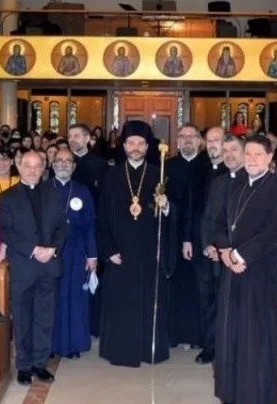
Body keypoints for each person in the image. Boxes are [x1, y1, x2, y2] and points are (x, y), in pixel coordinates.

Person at [214, 135, 277, 404]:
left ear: (269, 158)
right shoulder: (237, 187)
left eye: (258, 154)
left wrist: (240, 255)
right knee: (233, 331)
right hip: (232, 272)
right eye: (248, 154)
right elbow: (221, 222)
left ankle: (257, 394)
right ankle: (233, 392)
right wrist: (225, 250)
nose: (251, 159)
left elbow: (274, 230)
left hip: (260, 273)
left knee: (257, 336)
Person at [97, 120, 177, 368]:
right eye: (131, 142)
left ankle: (148, 349)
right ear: (123, 145)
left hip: (148, 251)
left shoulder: (159, 173)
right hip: (119, 252)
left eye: (140, 143)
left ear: (147, 146)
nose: (135, 147)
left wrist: (165, 206)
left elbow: (171, 215)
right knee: (121, 302)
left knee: (148, 299)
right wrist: (108, 250)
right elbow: (100, 217)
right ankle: (120, 350)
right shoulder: (110, 175)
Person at [0, 151, 69, 385]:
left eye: (36, 166)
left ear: (43, 168)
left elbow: (62, 227)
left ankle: (40, 364)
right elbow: (6, 231)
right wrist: (33, 249)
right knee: (22, 317)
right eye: (27, 165)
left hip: (49, 264)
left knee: (44, 317)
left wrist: (53, 249)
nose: (31, 170)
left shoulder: (54, 194)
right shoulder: (7, 196)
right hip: (24, 265)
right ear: (19, 167)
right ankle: (24, 366)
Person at [166, 124, 212, 351]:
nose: (187, 141)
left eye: (191, 137)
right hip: (173, 235)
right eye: (183, 137)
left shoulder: (206, 166)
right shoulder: (168, 166)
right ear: (177, 141)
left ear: (199, 141)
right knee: (175, 284)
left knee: (199, 286)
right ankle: (174, 334)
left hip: (198, 235)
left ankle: (198, 336)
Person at [48, 149, 97, 359]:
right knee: (52, 298)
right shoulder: (44, 188)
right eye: (59, 160)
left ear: (74, 166)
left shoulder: (82, 190)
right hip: (50, 251)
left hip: (76, 250)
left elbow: (89, 225)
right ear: (52, 164)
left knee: (74, 297)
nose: (64, 164)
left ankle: (73, 344)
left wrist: (92, 255)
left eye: (68, 161)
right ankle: (50, 345)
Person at [199, 132, 243, 364]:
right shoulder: (218, 183)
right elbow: (208, 218)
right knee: (213, 303)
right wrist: (208, 245)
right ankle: (212, 347)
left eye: (234, 150)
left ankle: (237, 349)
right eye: (225, 151)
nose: (229, 155)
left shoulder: (252, 181)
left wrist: (230, 249)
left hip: (242, 259)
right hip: (217, 257)